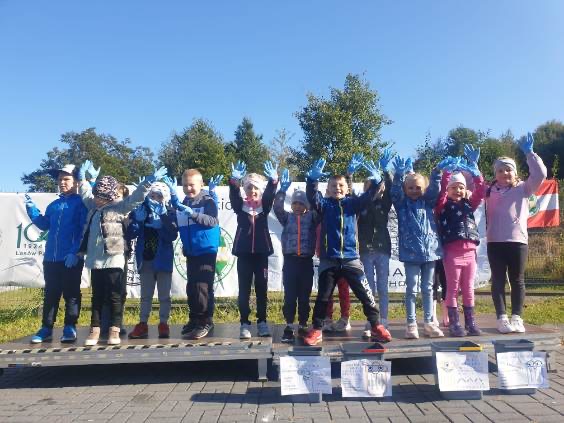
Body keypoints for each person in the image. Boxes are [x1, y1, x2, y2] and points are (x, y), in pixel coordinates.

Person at [303, 157, 392, 346]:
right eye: (333, 186)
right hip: (329, 259)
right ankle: (317, 329)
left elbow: (370, 195)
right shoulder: (324, 205)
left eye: (341, 185)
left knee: (366, 294)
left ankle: (376, 325)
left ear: (347, 188)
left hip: (351, 258)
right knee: (323, 297)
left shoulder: (354, 204)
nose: (337, 188)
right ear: (328, 189)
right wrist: (312, 181)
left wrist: (377, 181)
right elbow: (312, 197)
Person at [78, 161, 167, 346]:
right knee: (97, 296)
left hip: (114, 258)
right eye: (96, 195)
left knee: (115, 295)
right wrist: (82, 178)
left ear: (110, 197)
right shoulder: (93, 207)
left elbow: (135, 198)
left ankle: (114, 329)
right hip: (95, 260)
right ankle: (95, 330)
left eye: (101, 197)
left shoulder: (119, 208)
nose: (97, 199)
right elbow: (85, 193)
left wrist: (148, 182)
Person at [485, 133, 547, 333]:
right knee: (498, 280)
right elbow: (472, 187)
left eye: (508, 169)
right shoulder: (489, 190)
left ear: (515, 172)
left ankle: (517, 318)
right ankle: (502, 318)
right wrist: (471, 167)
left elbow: (540, 174)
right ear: (495, 173)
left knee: (517, 280)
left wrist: (530, 154)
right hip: (495, 242)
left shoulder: (524, 188)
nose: (505, 173)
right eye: (500, 170)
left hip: (518, 242)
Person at [24, 164, 87, 344]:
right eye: (60, 179)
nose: (62, 182)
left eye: (66, 179)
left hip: (70, 258)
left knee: (71, 294)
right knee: (51, 294)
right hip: (51, 258)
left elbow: (83, 230)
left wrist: (75, 252)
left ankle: (70, 327)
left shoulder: (81, 203)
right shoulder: (54, 205)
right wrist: (32, 209)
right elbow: (44, 224)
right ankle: (46, 328)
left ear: (76, 182)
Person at [391, 156, 444, 339]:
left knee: (428, 289)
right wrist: (398, 175)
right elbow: (395, 192)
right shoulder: (401, 204)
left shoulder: (428, 202)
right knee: (411, 289)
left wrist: (436, 173)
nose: (414, 191)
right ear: (405, 189)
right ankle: (411, 324)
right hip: (411, 254)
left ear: (424, 189)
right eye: (411, 188)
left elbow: (435, 189)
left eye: (418, 188)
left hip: (430, 253)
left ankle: (429, 322)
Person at [435, 148, 486, 337]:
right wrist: (446, 174)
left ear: (465, 189)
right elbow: (441, 193)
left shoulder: (469, 204)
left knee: (469, 288)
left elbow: (481, 191)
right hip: (452, 253)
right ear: (448, 189)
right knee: (453, 288)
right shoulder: (442, 205)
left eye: (461, 187)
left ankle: (470, 323)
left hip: (470, 253)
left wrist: (476, 171)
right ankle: (455, 323)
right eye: (454, 187)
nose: (458, 190)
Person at [166, 170, 221, 340]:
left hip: (206, 251)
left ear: (201, 184)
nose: (188, 188)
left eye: (192, 185)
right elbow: (177, 223)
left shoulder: (207, 200)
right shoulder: (184, 201)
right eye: (185, 185)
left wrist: (193, 214)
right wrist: (170, 211)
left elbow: (212, 221)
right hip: (191, 251)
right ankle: (195, 318)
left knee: (202, 288)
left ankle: (205, 321)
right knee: (191, 287)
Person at [229, 161, 278, 339]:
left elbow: (270, 196)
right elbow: (234, 195)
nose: (253, 191)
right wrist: (234, 182)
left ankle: (262, 321)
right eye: (249, 187)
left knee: (261, 289)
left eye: (256, 188)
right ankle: (244, 323)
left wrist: (273, 182)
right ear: (245, 189)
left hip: (261, 254)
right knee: (244, 290)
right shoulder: (240, 206)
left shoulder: (264, 206)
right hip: (244, 254)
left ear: (261, 190)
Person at [273, 169, 320, 343]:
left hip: (306, 262)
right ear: (291, 205)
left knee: (304, 296)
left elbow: (318, 206)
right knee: (290, 296)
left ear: (306, 206)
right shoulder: (287, 218)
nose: (298, 206)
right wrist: (281, 191)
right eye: (295, 203)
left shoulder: (312, 218)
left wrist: (313, 185)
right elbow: (277, 207)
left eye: (302, 203)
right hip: (291, 262)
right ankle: (289, 325)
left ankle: (303, 324)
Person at [127, 182, 178, 340]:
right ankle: (143, 323)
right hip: (146, 260)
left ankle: (163, 323)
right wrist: (138, 221)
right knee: (145, 295)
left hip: (163, 260)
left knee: (164, 295)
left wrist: (162, 222)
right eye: (152, 195)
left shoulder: (169, 211)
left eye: (159, 196)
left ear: (165, 197)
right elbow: (131, 233)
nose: (155, 198)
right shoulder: (141, 210)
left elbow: (172, 235)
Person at [356, 149, 394, 336]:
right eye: (372, 186)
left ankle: (384, 320)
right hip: (365, 251)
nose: (377, 189)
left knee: (383, 288)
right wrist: (350, 175)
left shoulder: (384, 204)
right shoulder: (360, 204)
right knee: (368, 288)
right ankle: (371, 322)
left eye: (379, 186)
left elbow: (391, 189)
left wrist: (386, 172)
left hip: (382, 250)